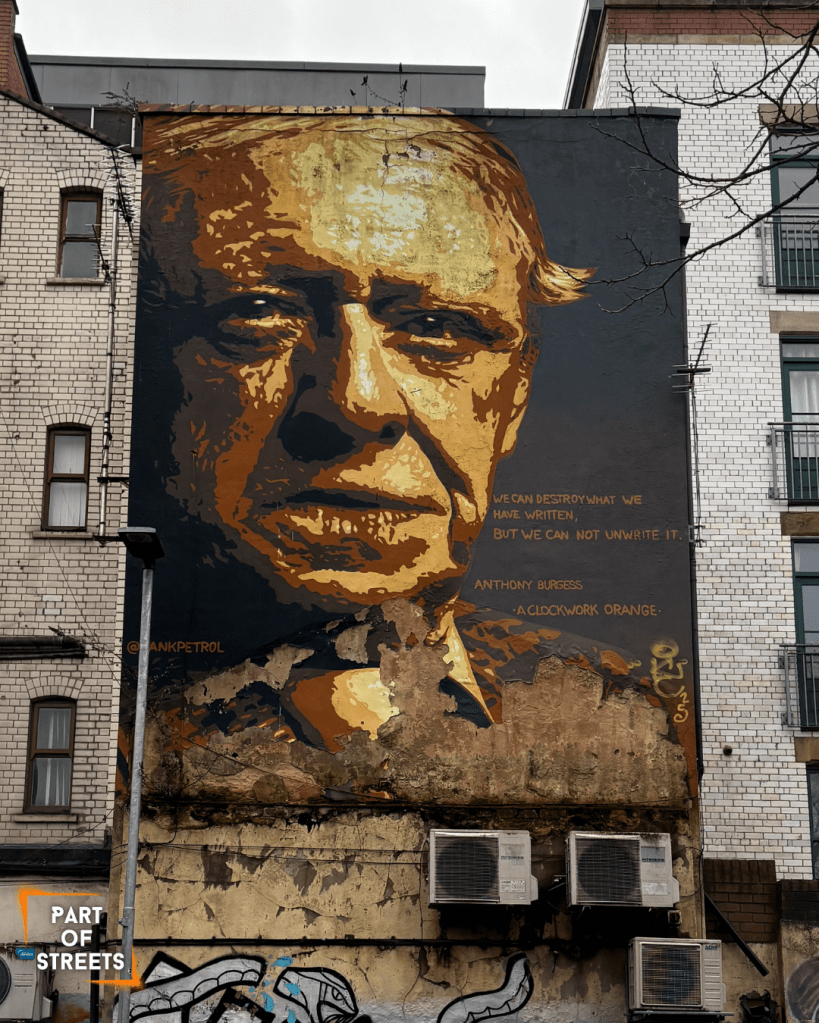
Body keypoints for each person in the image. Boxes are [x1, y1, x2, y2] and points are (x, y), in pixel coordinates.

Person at [137, 114, 652, 755]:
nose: (357, 402)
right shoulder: (100, 738)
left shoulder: (629, 708)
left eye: (437, 327)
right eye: (259, 314)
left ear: (515, 397)